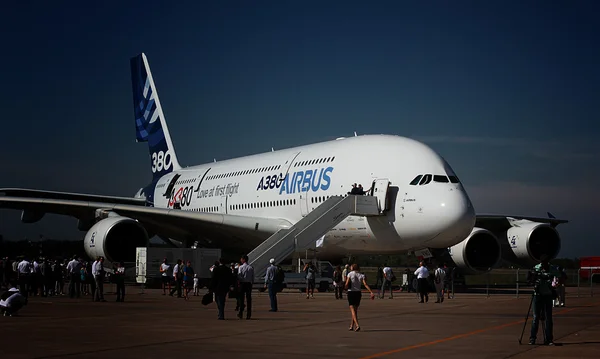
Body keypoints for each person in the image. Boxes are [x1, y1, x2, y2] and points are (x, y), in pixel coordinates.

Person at [528, 254, 561, 346]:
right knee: (535, 317)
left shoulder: (552, 269)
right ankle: (532, 338)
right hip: (537, 294)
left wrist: (553, 280)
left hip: (547, 295)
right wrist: (535, 278)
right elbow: (531, 278)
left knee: (548, 318)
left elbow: (559, 277)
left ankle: (549, 339)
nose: (544, 265)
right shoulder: (536, 268)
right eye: (542, 263)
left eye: (545, 263)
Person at [344, 263, 374, 331]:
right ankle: (351, 326)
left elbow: (346, 283)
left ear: (353, 268)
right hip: (358, 293)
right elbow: (365, 284)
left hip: (351, 292)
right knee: (355, 310)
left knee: (352, 309)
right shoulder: (361, 275)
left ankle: (357, 325)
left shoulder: (350, 274)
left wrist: (345, 288)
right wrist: (371, 292)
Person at [236, 255, 254, 320]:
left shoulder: (240, 267)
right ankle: (248, 314)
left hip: (242, 284)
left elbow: (239, 276)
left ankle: (241, 312)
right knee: (249, 299)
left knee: (241, 299)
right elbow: (252, 277)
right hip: (249, 284)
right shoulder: (251, 267)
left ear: (243, 259)